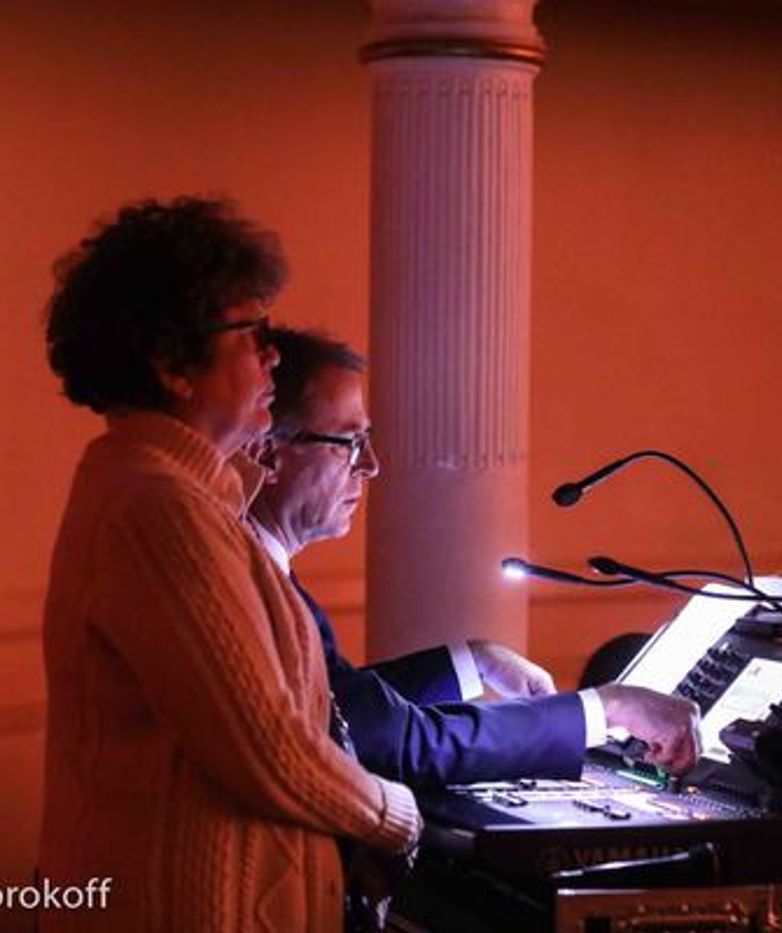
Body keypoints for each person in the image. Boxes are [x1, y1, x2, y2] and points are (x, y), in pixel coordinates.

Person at [38, 198, 420, 933]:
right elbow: (269, 746)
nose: (273, 356)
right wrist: (393, 816)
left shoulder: (178, 494)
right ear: (172, 364)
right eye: (254, 334)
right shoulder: (158, 508)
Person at [246, 327, 701, 789]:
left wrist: (474, 661)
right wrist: (607, 709)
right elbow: (396, 742)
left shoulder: (261, 564)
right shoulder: (252, 579)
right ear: (267, 455)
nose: (371, 465)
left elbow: (344, 704)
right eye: (350, 443)